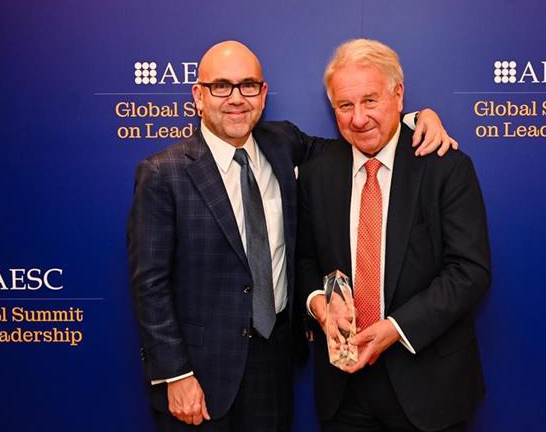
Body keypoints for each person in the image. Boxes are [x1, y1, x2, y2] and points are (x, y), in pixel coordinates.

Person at [128, 40, 456, 432]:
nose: (236, 98)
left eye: (248, 85)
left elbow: (361, 136)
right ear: (198, 96)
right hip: (200, 374)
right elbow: (149, 284)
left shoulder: (283, 143)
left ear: (263, 93)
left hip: (274, 363)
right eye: (221, 86)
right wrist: (175, 374)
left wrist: (416, 119)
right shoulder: (163, 173)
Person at [298, 39, 491, 432]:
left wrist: (395, 329)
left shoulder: (445, 167)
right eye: (345, 106)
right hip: (343, 391)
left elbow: (469, 271)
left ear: (398, 95)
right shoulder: (317, 172)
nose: (358, 118)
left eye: (370, 100)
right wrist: (320, 304)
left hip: (430, 387)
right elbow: (304, 259)